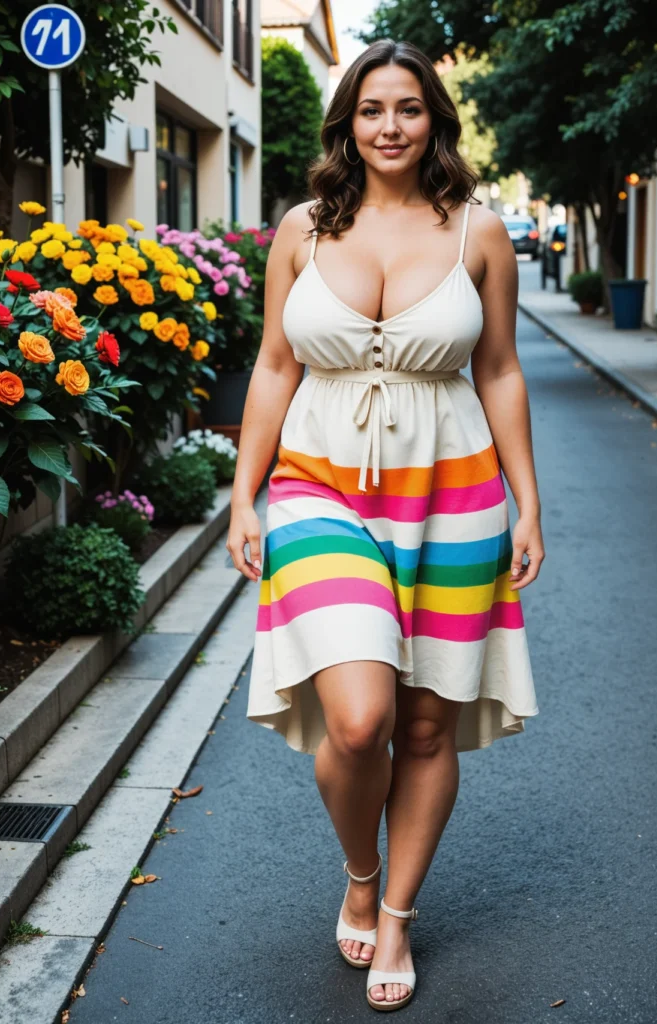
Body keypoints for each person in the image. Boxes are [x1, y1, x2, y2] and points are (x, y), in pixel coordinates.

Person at [226, 38, 543, 1013]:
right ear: (346, 123)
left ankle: (395, 911)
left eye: (407, 108)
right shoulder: (299, 229)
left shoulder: (475, 232)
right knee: (358, 720)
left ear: (433, 118)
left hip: (452, 493)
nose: (390, 126)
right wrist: (243, 493)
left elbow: (495, 369)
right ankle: (359, 868)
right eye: (371, 110)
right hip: (320, 487)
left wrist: (528, 501)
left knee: (422, 719)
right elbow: (275, 367)